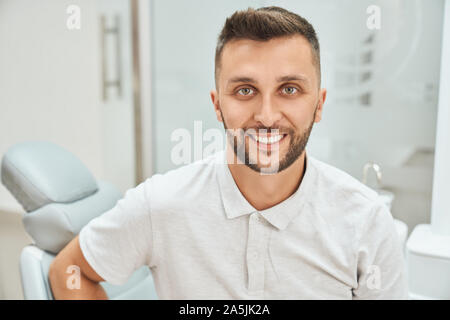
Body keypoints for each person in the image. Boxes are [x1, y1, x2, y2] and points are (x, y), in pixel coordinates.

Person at [49, 6, 407, 299]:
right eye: (245, 91)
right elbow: (70, 271)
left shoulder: (367, 222)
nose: (267, 116)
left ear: (319, 104)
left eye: (290, 89)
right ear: (217, 105)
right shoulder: (161, 205)